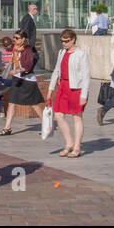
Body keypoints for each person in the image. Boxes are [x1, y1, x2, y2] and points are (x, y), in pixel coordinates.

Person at [47, 28, 89, 157]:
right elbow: (56, 71)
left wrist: (84, 94)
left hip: (76, 88)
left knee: (76, 117)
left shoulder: (81, 54)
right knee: (58, 115)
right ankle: (69, 143)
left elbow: (86, 75)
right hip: (63, 86)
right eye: (62, 41)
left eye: (66, 41)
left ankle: (77, 146)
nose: (64, 44)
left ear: (73, 40)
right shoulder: (61, 52)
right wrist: (50, 89)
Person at [0, 29, 46, 135]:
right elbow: (15, 60)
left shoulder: (28, 50)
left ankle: (45, 124)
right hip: (17, 79)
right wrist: (11, 63)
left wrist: (17, 70)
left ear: (23, 39)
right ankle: (7, 128)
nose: (14, 40)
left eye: (17, 38)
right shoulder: (15, 48)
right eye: (14, 38)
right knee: (12, 103)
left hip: (27, 80)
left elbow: (28, 65)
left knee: (34, 104)